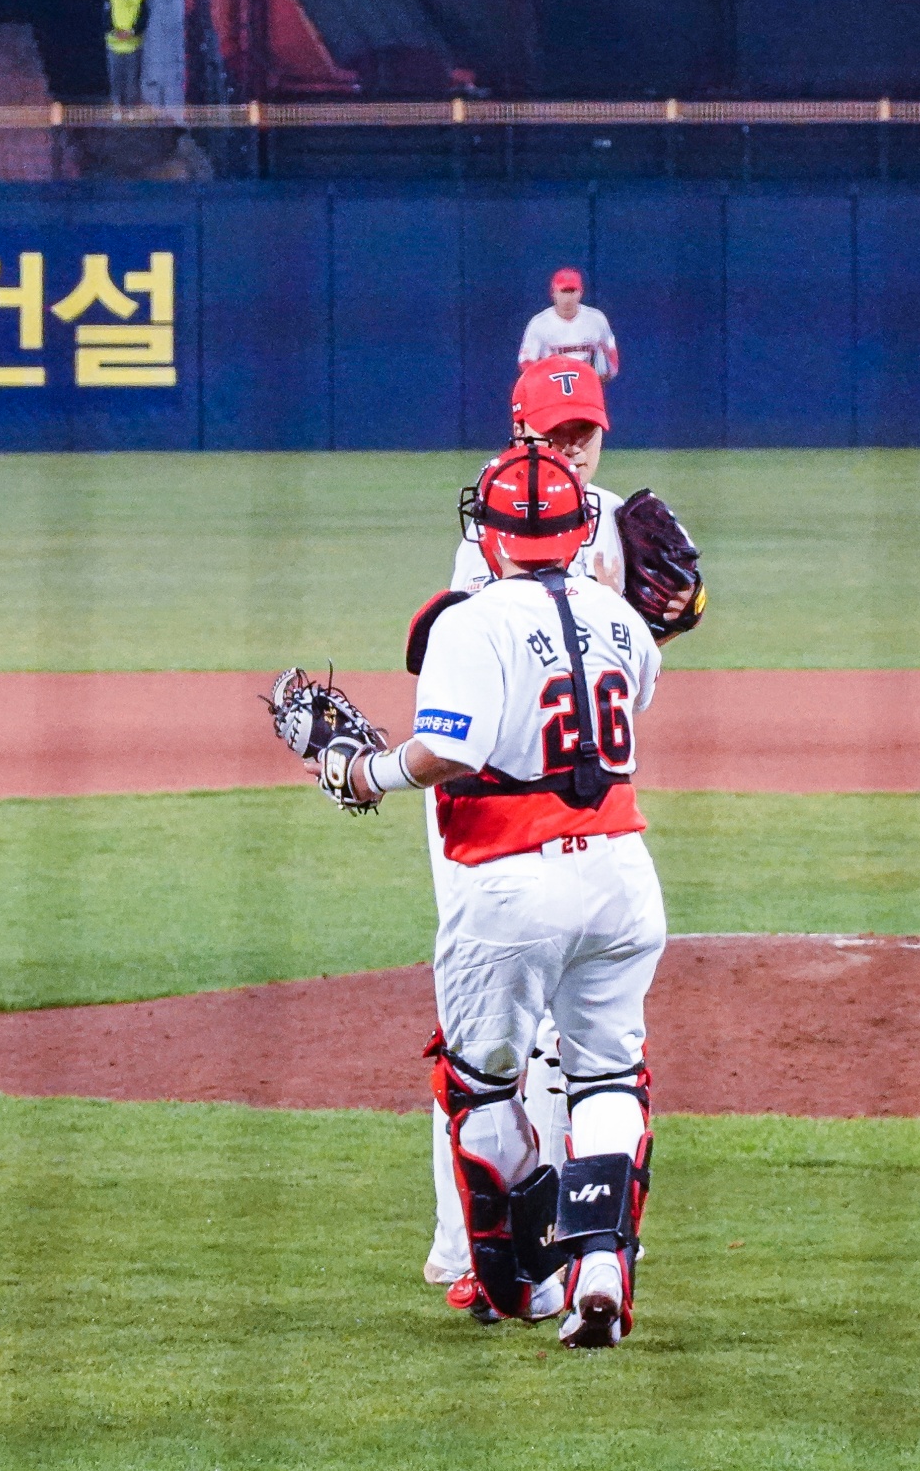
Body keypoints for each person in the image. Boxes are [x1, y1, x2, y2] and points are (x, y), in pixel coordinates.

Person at [308, 442, 666, 1350]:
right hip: (622, 876)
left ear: (493, 537)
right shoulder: (622, 617)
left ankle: (525, 1285)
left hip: (512, 883)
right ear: (581, 531)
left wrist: (363, 771)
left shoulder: (471, 621)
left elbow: (450, 754)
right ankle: (599, 1269)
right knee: (607, 1077)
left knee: (480, 1086)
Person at [419, 362, 624, 1295]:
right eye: (557, 431)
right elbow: (490, 685)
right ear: (520, 431)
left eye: (586, 430)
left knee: (569, 1042)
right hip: (489, 812)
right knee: (491, 1038)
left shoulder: (604, 512)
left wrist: (668, 620)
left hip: (577, 812)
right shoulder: (495, 525)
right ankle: (473, 1248)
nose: (574, 447)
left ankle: (576, 1247)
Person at [518, 268, 619, 380]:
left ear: (581, 293)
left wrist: (605, 376)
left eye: (572, 292)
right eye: (563, 291)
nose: (567, 298)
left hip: (586, 383)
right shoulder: (539, 324)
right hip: (552, 382)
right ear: (553, 293)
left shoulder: (596, 319)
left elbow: (610, 352)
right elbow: (526, 362)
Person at [104, 0, 147, 109]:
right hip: (114, 46)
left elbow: (143, 19)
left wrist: (132, 32)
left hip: (133, 47)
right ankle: (117, 109)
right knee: (115, 81)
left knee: (132, 82)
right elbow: (105, 18)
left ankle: (131, 111)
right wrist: (115, 32)